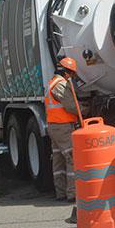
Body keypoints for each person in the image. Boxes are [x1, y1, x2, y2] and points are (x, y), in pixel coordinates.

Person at [45, 57, 81, 201]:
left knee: (58, 160)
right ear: (67, 72)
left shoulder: (52, 83)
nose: (72, 77)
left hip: (54, 126)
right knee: (72, 158)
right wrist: (86, 109)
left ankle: (60, 193)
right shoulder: (60, 85)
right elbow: (72, 106)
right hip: (62, 127)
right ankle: (73, 193)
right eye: (71, 74)